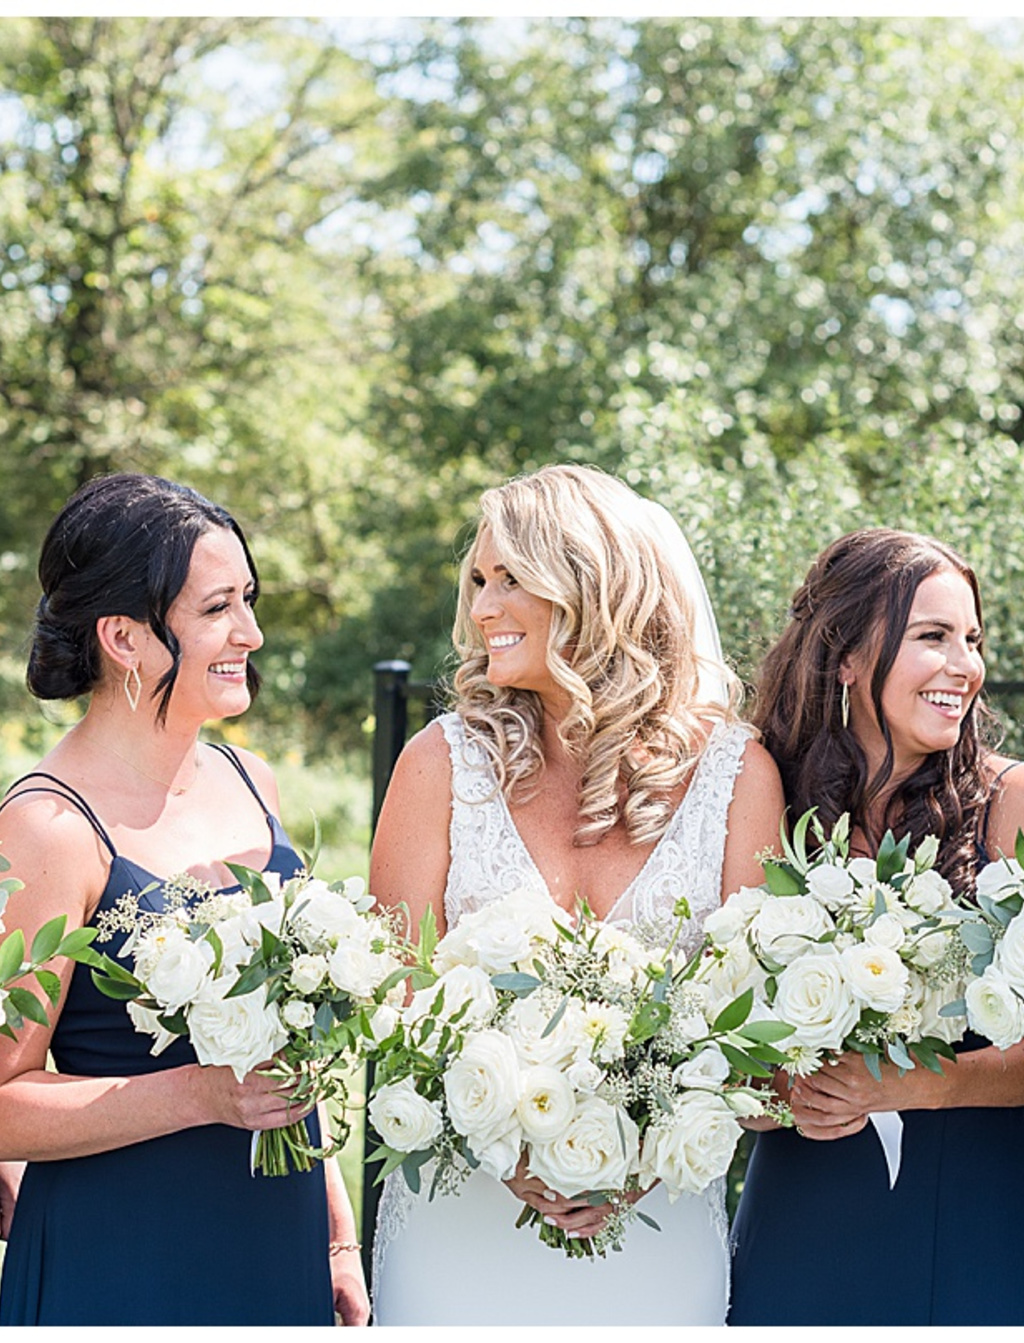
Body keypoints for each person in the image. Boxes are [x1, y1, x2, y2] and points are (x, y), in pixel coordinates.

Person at [368, 463, 785, 1325]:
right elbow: (392, 1002)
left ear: (592, 583)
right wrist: (501, 1141)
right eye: (478, 580)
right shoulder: (439, 763)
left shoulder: (735, 776)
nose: (481, 608)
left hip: (655, 1230)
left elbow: (755, 1028)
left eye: (510, 578)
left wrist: (639, 1153)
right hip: (461, 1232)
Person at [0, 473, 369, 1326]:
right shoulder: (49, 828)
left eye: (248, 598)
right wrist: (199, 1094)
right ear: (124, 637)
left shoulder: (254, 781)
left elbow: (290, 1044)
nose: (253, 631)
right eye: (217, 609)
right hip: (124, 1256)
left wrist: (336, 1236)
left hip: (274, 1237)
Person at [728, 527, 1024, 1327]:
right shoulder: (766, 796)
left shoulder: (1010, 803)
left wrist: (922, 1083)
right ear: (847, 657)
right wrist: (776, 1089)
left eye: (973, 639)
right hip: (803, 1214)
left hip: (977, 1221)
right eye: (933, 636)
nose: (965, 664)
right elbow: (714, 1031)